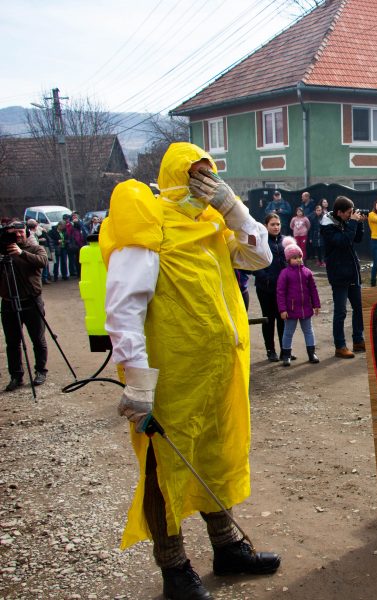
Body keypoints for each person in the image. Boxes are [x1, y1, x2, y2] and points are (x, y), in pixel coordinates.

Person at [101, 142, 279, 599]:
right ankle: (174, 568)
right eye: (197, 174)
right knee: (168, 469)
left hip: (220, 375)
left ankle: (227, 547)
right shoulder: (149, 222)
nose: (206, 182)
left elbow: (261, 258)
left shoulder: (213, 224)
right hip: (172, 381)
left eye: (211, 174)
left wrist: (234, 208)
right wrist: (137, 382)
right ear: (177, 176)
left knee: (216, 458)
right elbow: (123, 309)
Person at [0, 221, 49, 391]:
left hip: (31, 300)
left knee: (37, 338)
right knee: (12, 342)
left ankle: (40, 371)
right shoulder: (3, 252)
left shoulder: (35, 248)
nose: (18, 235)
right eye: (13, 233)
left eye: (20, 232)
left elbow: (43, 262)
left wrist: (21, 253)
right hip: (8, 302)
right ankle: (16, 376)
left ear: (26, 232)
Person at [321, 196, 366, 358]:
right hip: (339, 273)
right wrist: (353, 223)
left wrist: (359, 223)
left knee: (359, 308)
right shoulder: (327, 226)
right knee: (341, 312)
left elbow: (357, 239)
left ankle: (358, 340)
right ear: (339, 212)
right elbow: (343, 241)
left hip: (352, 271)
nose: (350, 215)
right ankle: (340, 346)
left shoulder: (345, 221)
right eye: (348, 213)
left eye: (352, 212)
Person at [276, 239, 321, 365]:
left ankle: (312, 353)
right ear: (288, 260)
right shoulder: (284, 274)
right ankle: (286, 355)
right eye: (294, 257)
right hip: (290, 309)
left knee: (309, 331)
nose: (298, 259)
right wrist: (283, 309)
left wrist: (316, 304)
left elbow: (313, 289)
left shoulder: (307, 272)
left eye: (299, 256)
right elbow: (280, 293)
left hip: (306, 308)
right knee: (288, 332)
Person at [254, 214, 288, 362]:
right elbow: (254, 262)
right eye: (273, 224)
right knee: (269, 319)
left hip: (283, 289)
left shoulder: (286, 241)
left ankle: (284, 350)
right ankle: (270, 351)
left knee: (283, 319)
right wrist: (265, 278)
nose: (276, 227)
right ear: (266, 225)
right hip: (265, 288)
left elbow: (293, 260)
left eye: (278, 224)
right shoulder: (260, 241)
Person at [66, 212, 86, 278]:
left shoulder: (77, 228)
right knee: (78, 260)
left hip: (79, 246)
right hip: (77, 246)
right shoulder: (75, 230)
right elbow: (77, 239)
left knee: (78, 260)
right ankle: (79, 273)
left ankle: (79, 273)